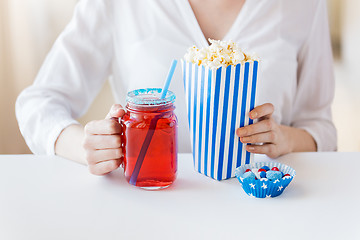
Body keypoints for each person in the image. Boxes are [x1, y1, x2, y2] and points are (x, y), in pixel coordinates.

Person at [16, 0, 337, 176]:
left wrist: (283, 138)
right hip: (148, 205)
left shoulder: (304, 5)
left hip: (267, 213)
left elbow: (321, 128)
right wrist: (88, 146)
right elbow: (38, 102)